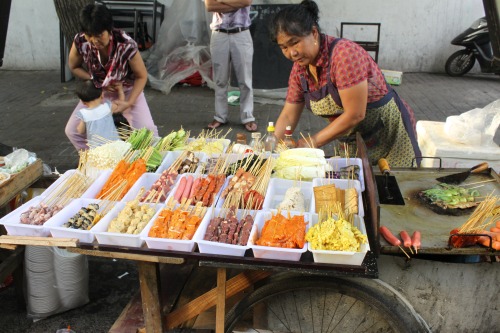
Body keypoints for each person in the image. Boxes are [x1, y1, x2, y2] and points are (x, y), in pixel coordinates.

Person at [270, 0, 421, 167]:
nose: (292, 53)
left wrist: (311, 142)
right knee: (358, 185)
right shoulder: (300, 70)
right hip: (354, 139)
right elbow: (288, 115)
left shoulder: (344, 55)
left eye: (294, 42)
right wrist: (272, 146)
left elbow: (355, 114)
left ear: (313, 33)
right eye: (284, 47)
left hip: (389, 135)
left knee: (393, 185)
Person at [65, 3, 158, 151]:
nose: (95, 41)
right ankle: (96, 161)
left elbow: (142, 76)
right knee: (73, 131)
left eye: (99, 35)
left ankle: (143, 163)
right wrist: (95, 80)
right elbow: (74, 67)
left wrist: (129, 102)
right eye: (90, 36)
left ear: (109, 30)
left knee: (149, 132)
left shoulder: (125, 43)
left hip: (127, 90)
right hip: (97, 94)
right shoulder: (80, 41)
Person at [205, 0, 257, 132]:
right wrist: (235, 2)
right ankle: (220, 116)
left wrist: (221, 1)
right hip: (219, 33)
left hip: (241, 33)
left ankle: (247, 116)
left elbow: (246, 2)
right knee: (220, 80)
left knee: (245, 80)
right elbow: (210, 6)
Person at [74, 80, 121, 145]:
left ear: (82, 101)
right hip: (114, 145)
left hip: (98, 149)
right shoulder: (108, 107)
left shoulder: (84, 114)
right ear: (102, 95)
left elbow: (80, 130)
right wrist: (120, 90)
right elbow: (121, 103)